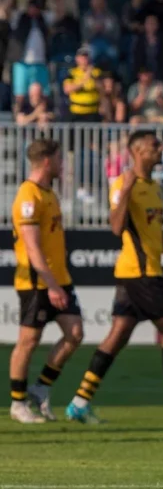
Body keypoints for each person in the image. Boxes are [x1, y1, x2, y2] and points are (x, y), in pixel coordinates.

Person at [65, 131, 163, 426]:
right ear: (137, 152)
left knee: (117, 336)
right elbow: (116, 226)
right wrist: (126, 191)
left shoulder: (155, 188)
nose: (160, 149)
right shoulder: (124, 184)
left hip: (139, 274)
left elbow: (156, 234)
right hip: (141, 274)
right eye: (153, 146)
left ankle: (79, 403)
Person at [9, 139, 84, 423]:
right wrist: (51, 285)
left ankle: (39, 389)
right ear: (47, 161)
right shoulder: (29, 196)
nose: (62, 164)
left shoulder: (48, 193)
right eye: (59, 159)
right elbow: (32, 247)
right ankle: (18, 403)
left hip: (59, 278)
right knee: (28, 340)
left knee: (74, 333)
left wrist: (58, 281)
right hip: (36, 282)